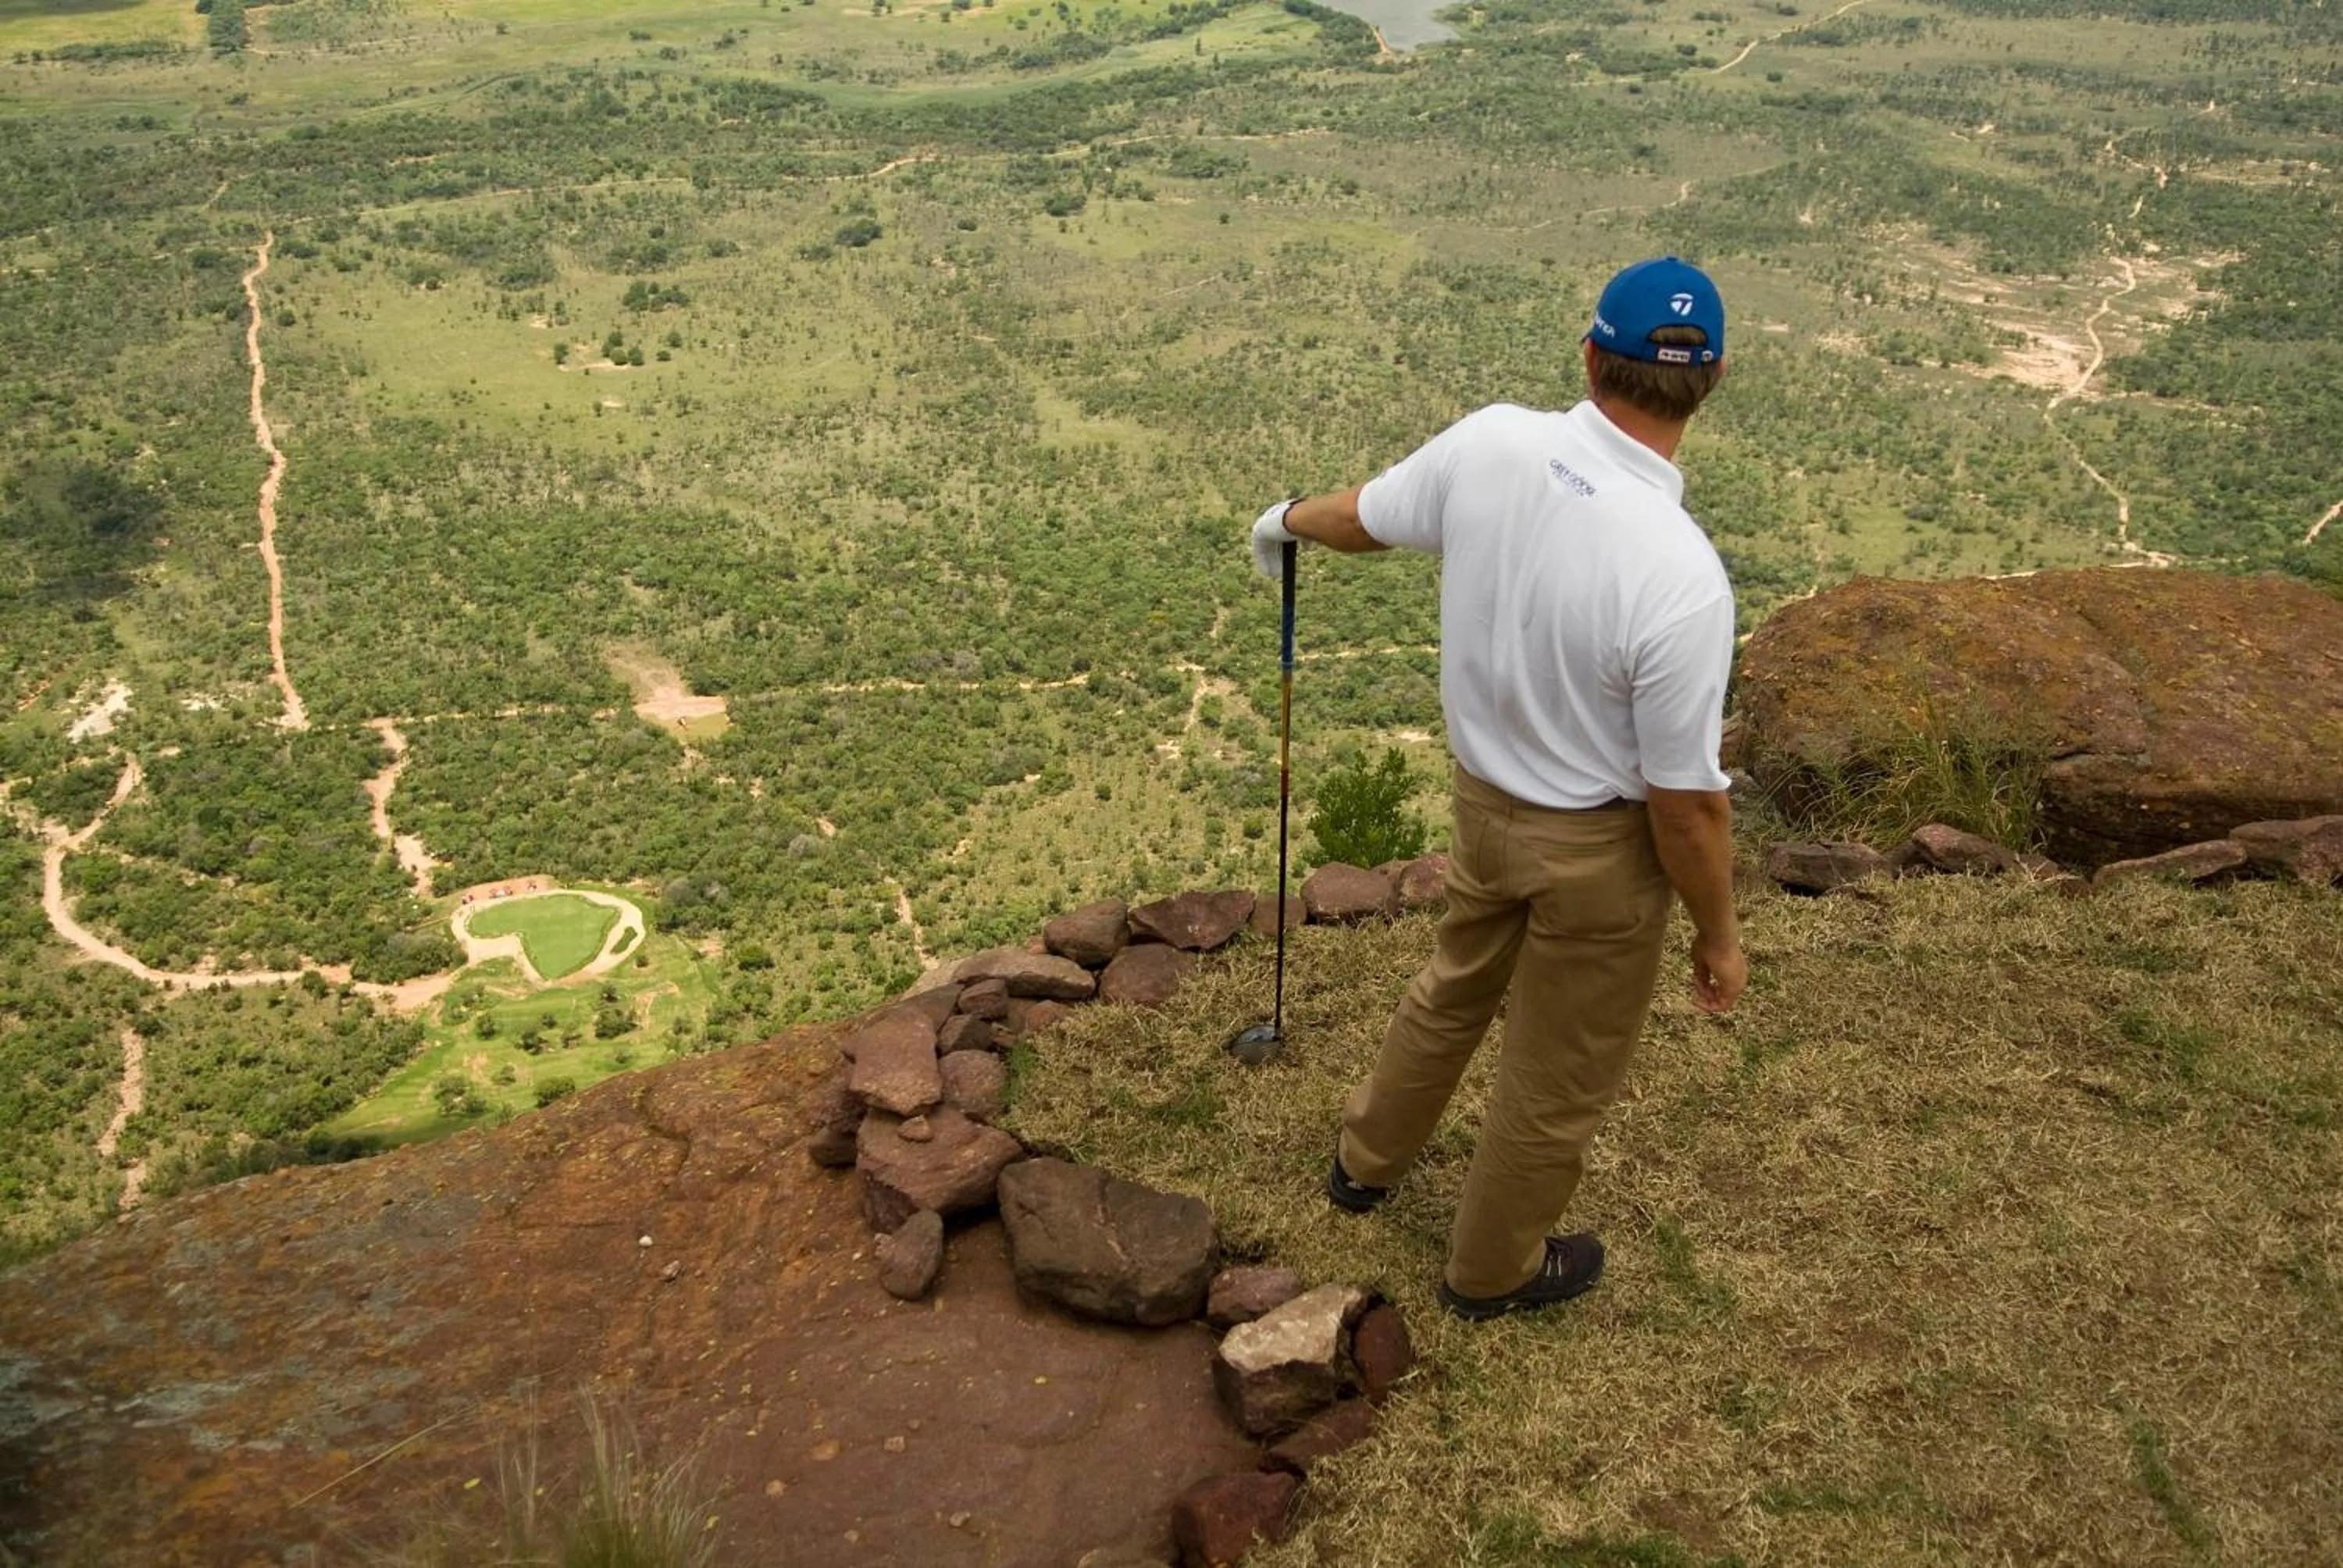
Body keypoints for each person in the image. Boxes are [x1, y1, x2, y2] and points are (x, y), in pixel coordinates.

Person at [1249, 256, 1748, 1321]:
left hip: (1485, 805)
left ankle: (1364, 1163)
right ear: (1707, 384)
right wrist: (1718, 932)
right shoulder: (1681, 575)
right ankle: (1491, 1273)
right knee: (1555, 1076)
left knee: (1456, 983)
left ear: (1589, 354)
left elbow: (1363, 520)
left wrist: (1284, 518)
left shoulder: (1494, 445)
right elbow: (1686, 805)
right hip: (1601, 855)